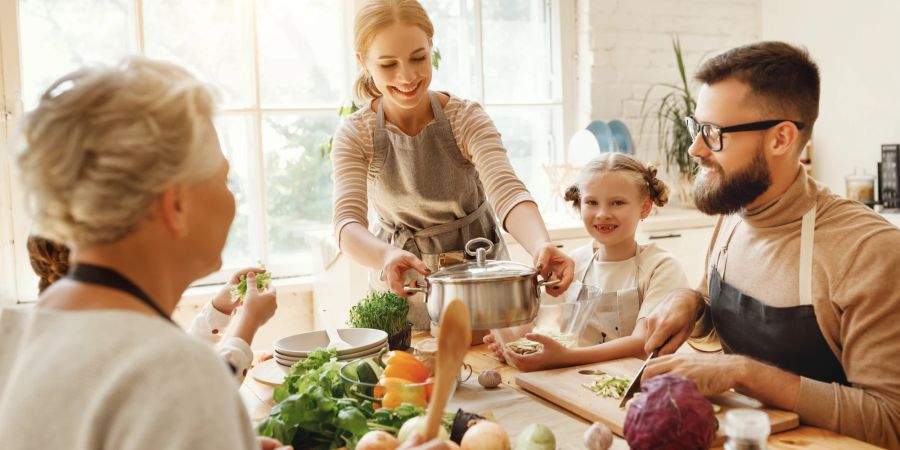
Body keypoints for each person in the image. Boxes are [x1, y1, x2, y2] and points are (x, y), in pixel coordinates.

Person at [0, 58, 446, 450]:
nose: (232, 198)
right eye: (223, 178)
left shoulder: (10, 337)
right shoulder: (181, 375)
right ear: (176, 205)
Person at [640, 42, 900, 448]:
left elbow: (890, 422)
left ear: (781, 139)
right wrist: (690, 302)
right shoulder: (735, 209)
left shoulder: (868, 250)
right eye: (697, 127)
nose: (696, 148)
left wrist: (745, 374)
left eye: (714, 133)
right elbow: (721, 319)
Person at [331, 0, 574, 329]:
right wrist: (385, 256)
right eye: (388, 64)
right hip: (405, 282)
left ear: (431, 46)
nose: (407, 76)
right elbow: (347, 225)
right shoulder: (356, 134)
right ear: (363, 63)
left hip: (483, 283)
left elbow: (506, 190)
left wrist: (541, 244)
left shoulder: (465, 117)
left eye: (418, 57)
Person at [484, 154, 690, 372]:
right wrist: (517, 346)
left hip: (633, 383)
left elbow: (643, 345)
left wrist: (564, 357)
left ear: (645, 208)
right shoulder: (574, 263)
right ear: (579, 204)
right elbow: (548, 330)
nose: (603, 214)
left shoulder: (662, 268)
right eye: (592, 202)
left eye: (617, 203)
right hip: (575, 381)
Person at [27, 234, 273, 383]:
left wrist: (220, 309)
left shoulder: (61, 327)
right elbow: (198, 389)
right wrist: (248, 321)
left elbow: (177, 370)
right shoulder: (110, 336)